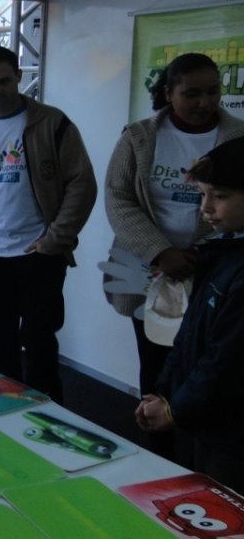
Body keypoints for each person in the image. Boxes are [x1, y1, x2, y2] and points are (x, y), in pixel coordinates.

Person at [105, 53, 244, 454]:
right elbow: (118, 199)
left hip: (216, 270)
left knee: (211, 366)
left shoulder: (239, 137)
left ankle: (206, 461)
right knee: (157, 367)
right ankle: (159, 459)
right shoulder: (139, 136)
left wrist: (208, 253)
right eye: (192, 93)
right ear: (168, 92)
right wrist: (160, 251)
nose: (205, 101)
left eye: (213, 91)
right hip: (149, 272)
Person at [0, 46, 96, 403]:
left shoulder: (53, 124)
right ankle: (8, 415)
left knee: (40, 341)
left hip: (40, 256)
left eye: (3, 81)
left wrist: (55, 238)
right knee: (0, 343)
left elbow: (82, 183)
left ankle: (50, 415)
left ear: (19, 77)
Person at [136, 137, 244, 494]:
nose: (206, 208)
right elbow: (190, 334)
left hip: (233, 432)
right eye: (203, 195)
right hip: (209, 420)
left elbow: (225, 360)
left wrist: (176, 411)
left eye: (221, 196)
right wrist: (164, 393)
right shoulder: (223, 250)